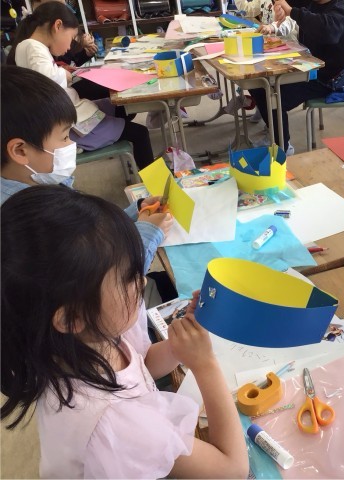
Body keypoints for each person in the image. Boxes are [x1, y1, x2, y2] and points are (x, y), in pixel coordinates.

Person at [0, 186, 249, 479]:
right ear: (72, 318)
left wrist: (177, 347)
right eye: (129, 278)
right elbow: (232, 470)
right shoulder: (117, 423)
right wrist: (205, 363)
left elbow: (140, 365)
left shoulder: (76, 341)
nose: (143, 282)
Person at [1, 65, 169, 274]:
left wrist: (135, 212)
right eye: (64, 137)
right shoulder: (36, 221)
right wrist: (150, 232)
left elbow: (93, 232)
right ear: (20, 150)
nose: (71, 143)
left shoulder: (34, 184)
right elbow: (112, 278)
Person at [8, 2, 154, 169]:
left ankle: (115, 135)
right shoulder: (34, 47)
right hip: (70, 124)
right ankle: (151, 182)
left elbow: (40, 77)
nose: (69, 46)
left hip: (67, 114)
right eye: (71, 39)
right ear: (57, 26)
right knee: (140, 133)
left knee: (121, 108)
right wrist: (64, 74)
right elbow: (46, 81)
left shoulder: (27, 45)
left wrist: (61, 70)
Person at [249, 0, 344, 155]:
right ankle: (276, 135)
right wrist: (279, 5)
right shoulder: (311, 2)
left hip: (326, 78)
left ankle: (283, 146)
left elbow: (328, 32)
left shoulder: (340, 6)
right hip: (305, 67)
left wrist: (292, 12)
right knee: (258, 85)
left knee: (274, 98)